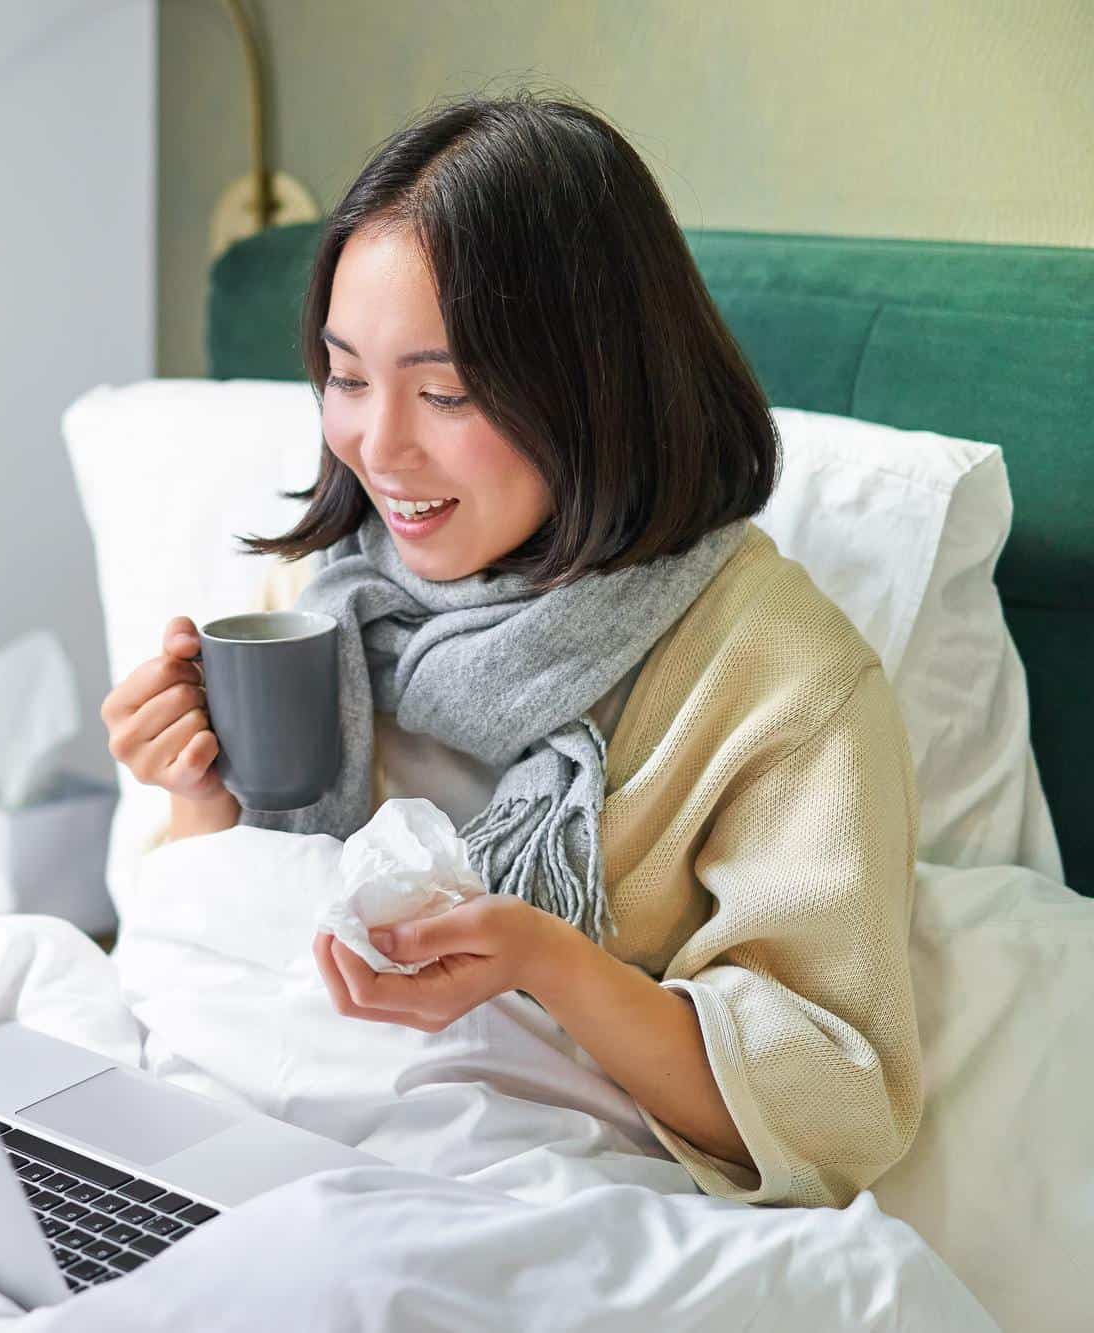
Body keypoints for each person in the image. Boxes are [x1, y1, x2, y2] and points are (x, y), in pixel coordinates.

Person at [98, 93, 920, 1210]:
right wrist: (200, 800)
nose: (376, 448)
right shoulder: (327, 597)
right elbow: (245, 973)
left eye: (444, 391)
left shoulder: (779, 677)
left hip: (527, 1204)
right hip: (251, 1157)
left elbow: (838, 1099)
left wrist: (548, 963)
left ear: (592, 386)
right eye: (344, 377)